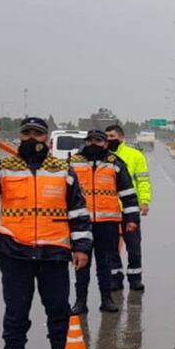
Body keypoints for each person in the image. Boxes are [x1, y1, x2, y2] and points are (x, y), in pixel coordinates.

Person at [0, 117, 92, 349]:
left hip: (54, 253)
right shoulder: (6, 167)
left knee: (58, 313)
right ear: (20, 137)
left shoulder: (63, 170)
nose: (32, 138)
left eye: (37, 133)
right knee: (16, 313)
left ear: (46, 138)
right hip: (15, 252)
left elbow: (78, 213)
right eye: (27, 133)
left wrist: (82, 248)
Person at [69, 130, 140, 315]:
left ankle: (106, 299)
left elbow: (128, 194)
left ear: (105, 144)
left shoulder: (115, 164)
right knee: (81, 263)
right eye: (90, 140)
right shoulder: (73, 162)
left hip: (107, 223)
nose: (94, 144)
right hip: (80, 223)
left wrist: (132, 219)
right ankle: (80, 301)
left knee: (105, 264)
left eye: (98, 141)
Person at [105, 124, 150, 292]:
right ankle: (115, 278)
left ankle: (135, 278)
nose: (109, 139)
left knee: (134, 246)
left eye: (112, 136)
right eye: (107, 136)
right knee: (111, 247)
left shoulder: (134, 156)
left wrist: (144, 201)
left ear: (121, 138)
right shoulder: (103, 157)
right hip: (108, 210)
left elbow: (143, 181)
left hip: (129, 209)